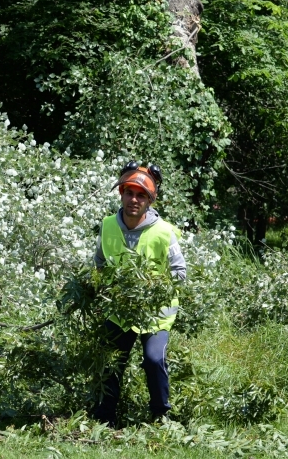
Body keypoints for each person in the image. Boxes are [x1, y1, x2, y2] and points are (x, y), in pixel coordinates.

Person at [91, 161, 186, 427]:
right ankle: (105, 418)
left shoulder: (164, 232)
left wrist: (154, 288)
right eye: (130, 193)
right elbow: (99, 263)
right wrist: (97, 291)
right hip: (119, 309)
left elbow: (180, 273)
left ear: (150, 200)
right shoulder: (108, 225)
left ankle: (160, 416)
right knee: (110, 361)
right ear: (121, 194)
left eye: (141, 195)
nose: (134, 200)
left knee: (154, 360)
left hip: (157, 312)